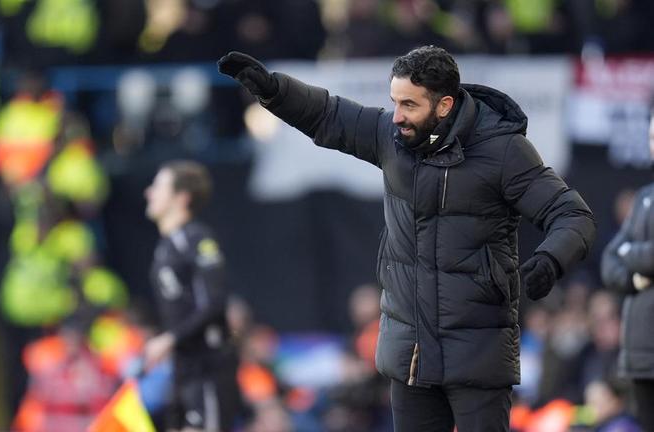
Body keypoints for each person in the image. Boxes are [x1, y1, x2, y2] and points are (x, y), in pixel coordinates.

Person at [218, 46, 596, 431]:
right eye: (395, 102)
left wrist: (551, 259)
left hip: (478, 354)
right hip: (410, 357)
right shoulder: (391, 135)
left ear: (445, 105)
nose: (397, 115)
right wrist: (274, 91)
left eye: (409, 105)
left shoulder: (504, 151)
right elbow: (327, 113)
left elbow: (573, 215)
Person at [144, 160, 240, 432]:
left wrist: (169, 339)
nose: (148, 193)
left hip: (208, 367)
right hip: (182, 368)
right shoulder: (165, 247)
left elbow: (215, 302)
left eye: (158, 187)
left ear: (181, 198)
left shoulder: (196, 240)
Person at [601, 100, 654, 432]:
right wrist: (637, 279)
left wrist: (631, 253)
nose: (653, 144)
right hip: (641, 355)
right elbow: (610, 262)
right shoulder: (645, 197)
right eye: (651, 137)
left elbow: (624, 253)